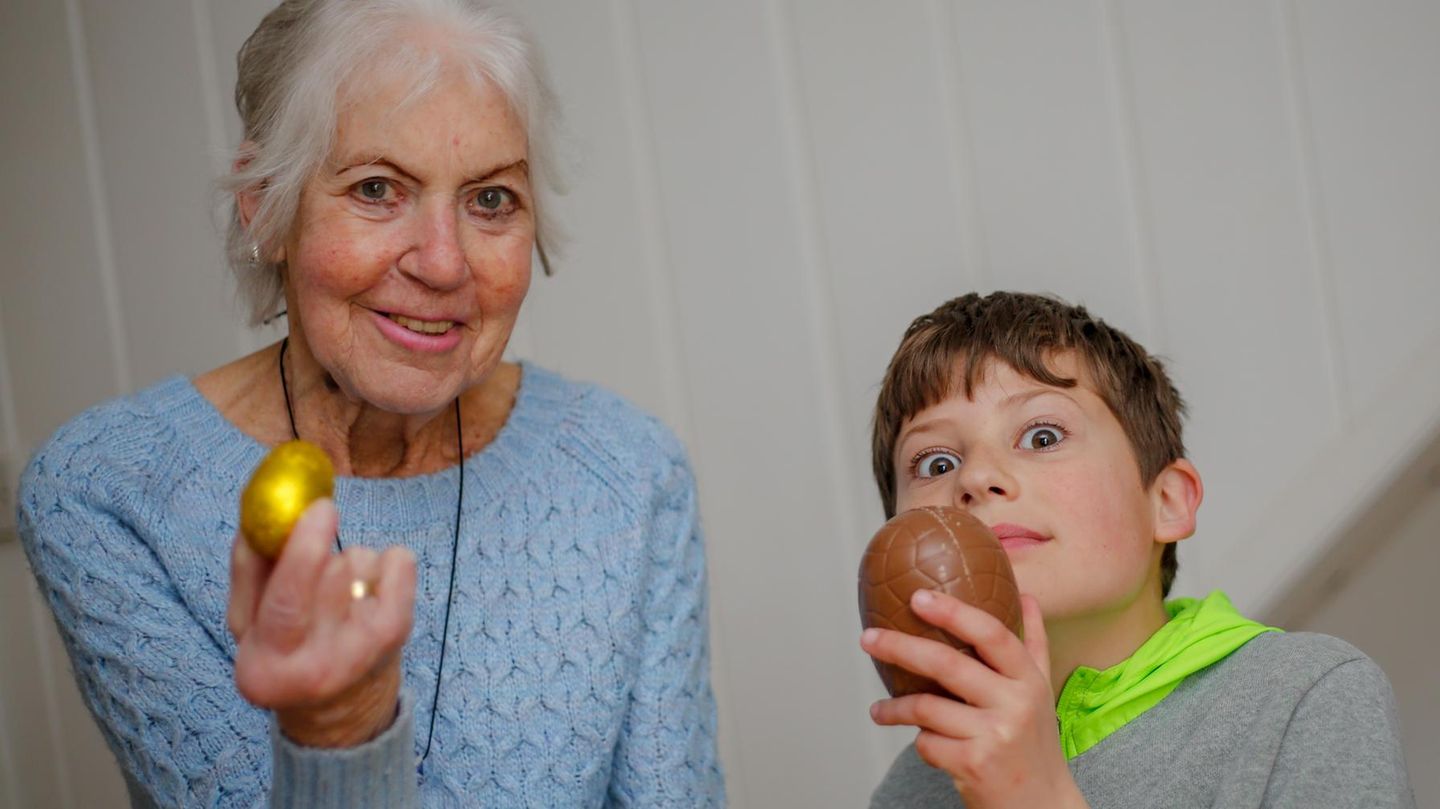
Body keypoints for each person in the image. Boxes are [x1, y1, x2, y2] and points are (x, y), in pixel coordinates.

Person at [16, 1, 723, 806]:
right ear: (265, 209)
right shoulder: (111, 490)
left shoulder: (626, 469)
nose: (443, 262)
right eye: (378, 187)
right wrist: (338, 729)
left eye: (490, 199)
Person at [858, 291, 1414, 808]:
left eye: (1042, 436)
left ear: (1167, 501)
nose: (977, 477)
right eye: (936, 463)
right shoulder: (915, 786)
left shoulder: (1302, 695)